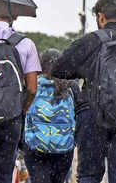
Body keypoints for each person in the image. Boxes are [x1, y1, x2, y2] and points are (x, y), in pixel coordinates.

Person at [50, 0, 116, 183]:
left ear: (100, 17)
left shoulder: (90, 41)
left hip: (92, 115)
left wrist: (84, 71)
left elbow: (59, 69)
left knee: (89, 175)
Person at [0, 16, 41, 183]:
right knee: (4, 174)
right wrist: (21, 109)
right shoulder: (26, 44)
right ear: (15, 16)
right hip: (12, 119)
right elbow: (32, 88)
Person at [23, 48, 78, 183]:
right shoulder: (71, 86)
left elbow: (23, 113)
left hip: (35, 147)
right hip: (63, 149)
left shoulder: (32, 84)